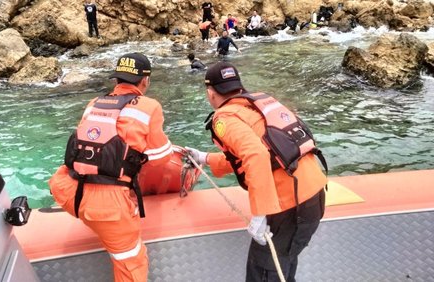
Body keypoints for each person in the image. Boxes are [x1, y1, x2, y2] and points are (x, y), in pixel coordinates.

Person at [186, 61, 327, 281]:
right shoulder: (258, 103)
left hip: (288, 206)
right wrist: (204, 158)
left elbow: (257, 155)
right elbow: (263, 154)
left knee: (263, 273)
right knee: (284, 265)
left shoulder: (224, 117)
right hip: (314, 195)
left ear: (210, 92)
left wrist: (261, 213)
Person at [49, 53, 173, 282]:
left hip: (67, 192)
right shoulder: (150, 107)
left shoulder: (93, 104)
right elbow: (160, 158)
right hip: (107, 208)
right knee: (132, 264)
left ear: (116, 80)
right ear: (145, 81)